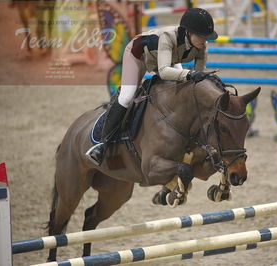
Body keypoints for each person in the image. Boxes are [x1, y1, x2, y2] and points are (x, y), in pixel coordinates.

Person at [85, 7, 218, 166]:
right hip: (138, 56)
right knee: (127, 97)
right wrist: (190, 74)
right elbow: (163, 72)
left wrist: (199, 78)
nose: (205, 40)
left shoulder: (202, 46)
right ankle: (102, 145)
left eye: (206, 37)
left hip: (167, 58)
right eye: (202, 36)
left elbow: (196, 78)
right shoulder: (168, 37)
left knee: (185, 87)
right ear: (188, 32)